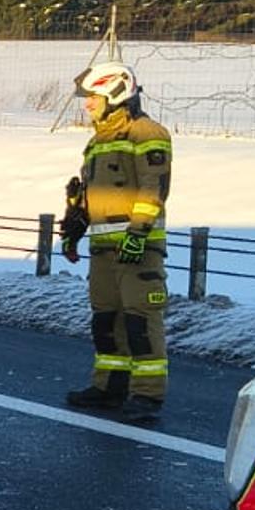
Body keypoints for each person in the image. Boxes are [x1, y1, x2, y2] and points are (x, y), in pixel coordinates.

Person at [61, 61, 173, 422]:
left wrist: (139, 234)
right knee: (106, 321)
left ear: (114, 94)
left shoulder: (146, 133)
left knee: (141, 320)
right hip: (104, 247)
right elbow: (88, 195)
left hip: (137, 246)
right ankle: (110, 387)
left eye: (92, 97)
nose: (86, 105)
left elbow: (153, 188)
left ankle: (148, 395)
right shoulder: (98, 141)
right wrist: (74, 227)